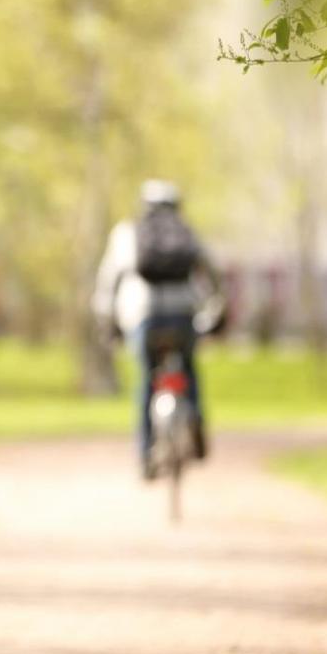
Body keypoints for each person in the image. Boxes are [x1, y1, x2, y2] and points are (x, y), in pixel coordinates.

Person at [92, 179, 224, 480]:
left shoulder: (127, 233)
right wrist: (217, 308)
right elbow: (213, 274)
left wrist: (108, 322)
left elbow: (108, 282)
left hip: (143, 317)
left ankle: (146, 454)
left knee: (148, 379)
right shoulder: (187, 232)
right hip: (183, 315)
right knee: (188, 370)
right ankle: (197, 426)